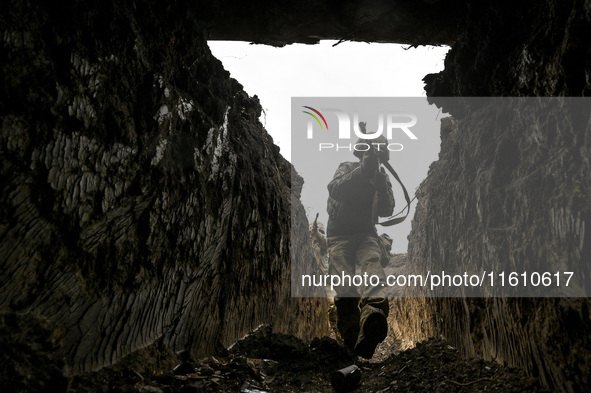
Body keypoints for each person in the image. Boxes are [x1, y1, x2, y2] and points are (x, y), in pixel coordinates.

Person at [326, 124, 395, 359]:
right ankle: (351, 337)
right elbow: (334, 190)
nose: (370, 157)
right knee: (344, 287)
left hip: (366, 234)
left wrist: (378, 184)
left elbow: (387, 209)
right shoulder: (346, 168)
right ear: (359, 153)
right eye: (366, 153)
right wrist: (362, 172)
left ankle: (372, 319)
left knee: (373, 267)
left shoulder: (381, 177)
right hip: (339, 236)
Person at [309, 219, 340, 341]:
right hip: (311, 281)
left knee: (333, 305)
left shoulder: (323, 245)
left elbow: (325, 243)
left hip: (326, 280)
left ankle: (340, 335)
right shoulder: (305, 243)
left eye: (320, 232)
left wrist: (317, 234)